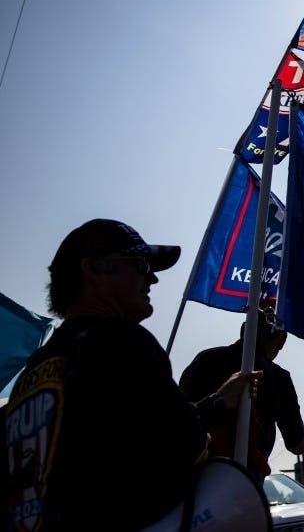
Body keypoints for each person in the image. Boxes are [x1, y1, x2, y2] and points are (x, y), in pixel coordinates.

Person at [3, 219, 258, 531]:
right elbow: (183, 447)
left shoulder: (34, 372)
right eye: (139, 264)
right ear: (93, 269)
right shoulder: (119, 339)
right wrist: (216, 410)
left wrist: (217, 401)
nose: (151, 278)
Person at [179, 303, 304, 480]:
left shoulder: (204, 360)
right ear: (282, 340)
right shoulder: (278, 377)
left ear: (243, 331)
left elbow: (178, 420)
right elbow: (297, 445)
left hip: (191, 481)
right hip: (244, 487)